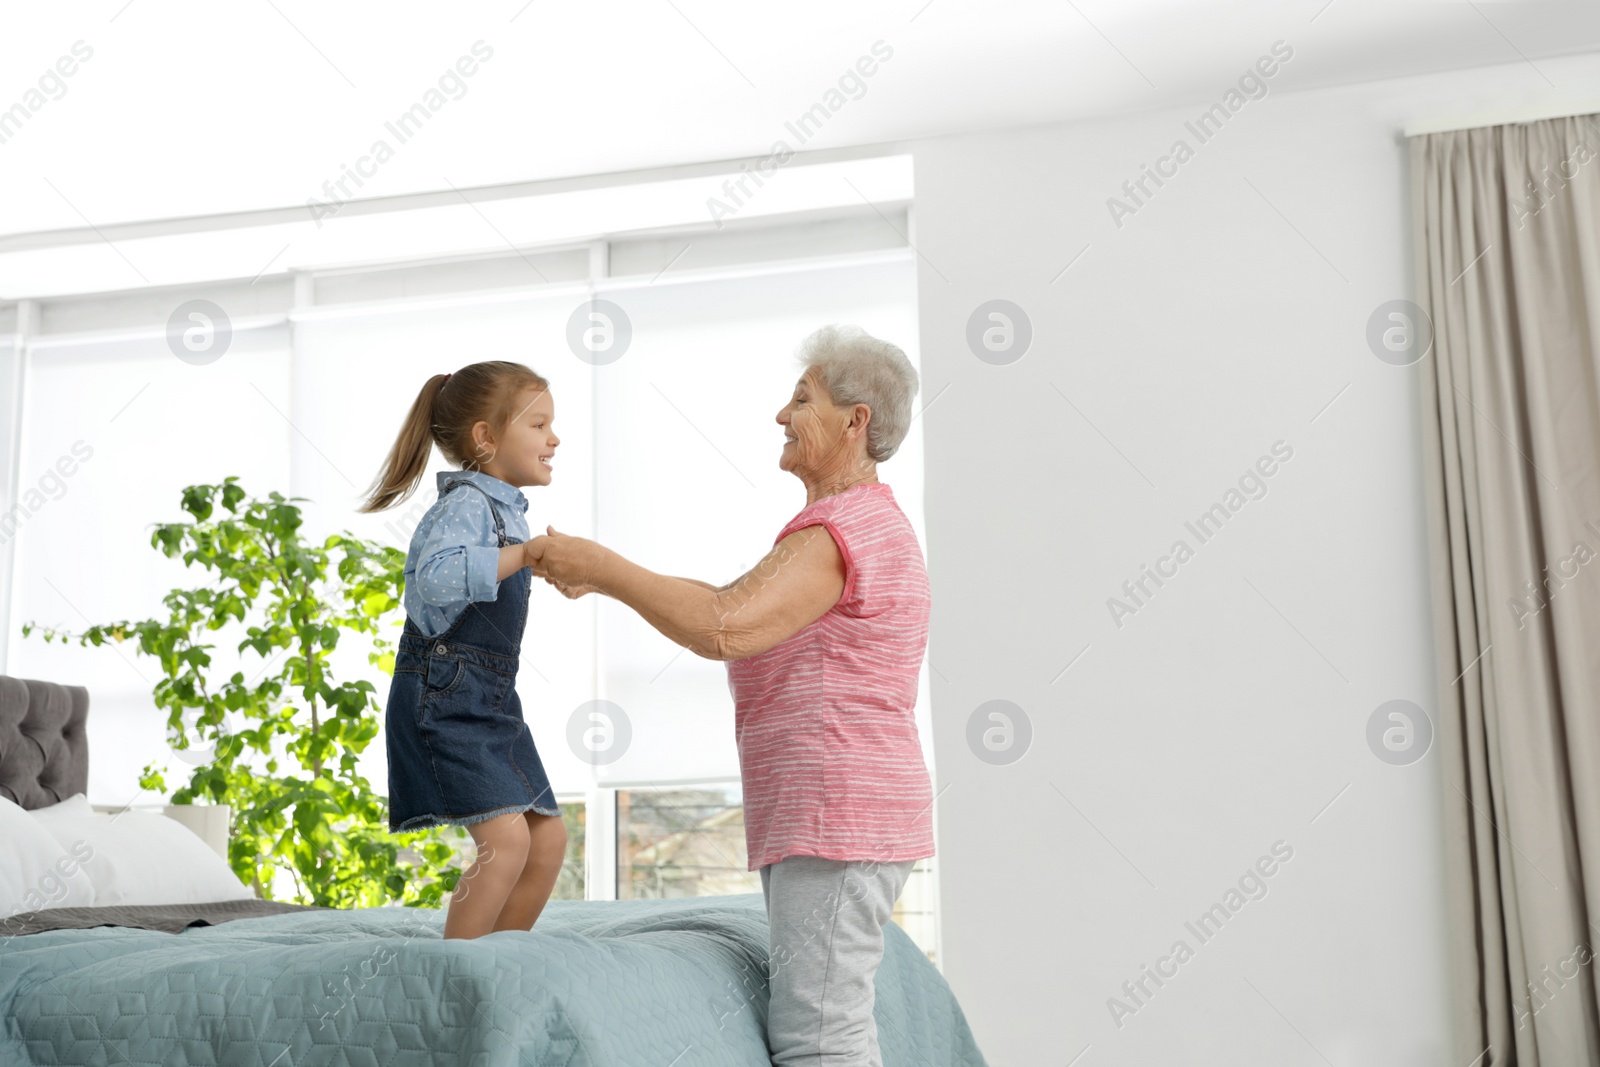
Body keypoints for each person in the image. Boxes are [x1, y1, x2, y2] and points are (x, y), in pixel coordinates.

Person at [528, 324, 933, 1066]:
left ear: (856, 420)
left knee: (819, 1039)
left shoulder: (841, 532)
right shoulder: (839, 527)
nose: (782, 414)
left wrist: (604, 566)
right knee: (831, 1027)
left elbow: (725, 626)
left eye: (801, 398)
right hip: (830, 812)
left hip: (838, 811)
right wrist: (601, 576)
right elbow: (726, 599)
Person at [358, 360, 567, 940]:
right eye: (539, 424)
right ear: (485, 437)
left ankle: (501, 959)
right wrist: (524, 558)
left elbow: (489, 583)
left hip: (493, 698)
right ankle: (462, 966)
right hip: (444, 695)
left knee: (547, 839)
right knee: (506, 842)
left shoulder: (505, 512)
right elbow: (435, 582)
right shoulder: (466, 504)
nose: (555, 438)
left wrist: (543, 565)